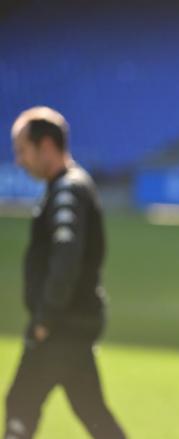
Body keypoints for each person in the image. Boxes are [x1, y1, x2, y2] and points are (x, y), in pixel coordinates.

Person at [4, 107, 126, 439]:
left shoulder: (67, 190)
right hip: (74, 323)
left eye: (21, 150)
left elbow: (66, 249)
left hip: (59, 326)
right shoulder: (70, 186)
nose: (18, 160)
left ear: (45, 145)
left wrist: (45, 318)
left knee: (20, 403)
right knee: (93, 412)